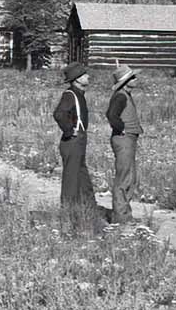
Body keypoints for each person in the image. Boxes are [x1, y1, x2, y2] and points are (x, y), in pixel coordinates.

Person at [53, 62, 98, 213]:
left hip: (79, 140)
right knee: (71, 180)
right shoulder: (70, 95)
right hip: (73, 141)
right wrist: (69, 130)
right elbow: (59, 114)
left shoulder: (79, 94)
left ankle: (88, 209)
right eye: (84, 75)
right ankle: (68, 213)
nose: (88, 76)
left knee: (82, 176)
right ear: (77, 79)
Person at [105, 63, 144, 223]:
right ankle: (120, 217)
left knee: (130, 177)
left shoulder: (125, 95)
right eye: (132, 77)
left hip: (128, 138)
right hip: (124, 138)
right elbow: (111, 115)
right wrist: (121, 128)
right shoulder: (120, 96)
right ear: (126, 81)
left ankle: (124, 214)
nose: (136, 79)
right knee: (125, 178)